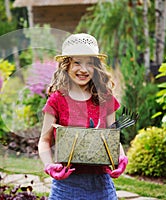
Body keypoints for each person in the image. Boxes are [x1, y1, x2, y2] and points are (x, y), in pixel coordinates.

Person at [38, 33, 128, 200]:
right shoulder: (57, 99)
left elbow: (113, 137)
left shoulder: (105, 97)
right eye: (77, 63)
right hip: (66, 186)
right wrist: (49, 165)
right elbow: (44, 140)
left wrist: (120, 158)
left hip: (102, 186)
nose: (84, 70)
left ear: (96, 67)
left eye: (89, 63)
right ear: (66, 66)